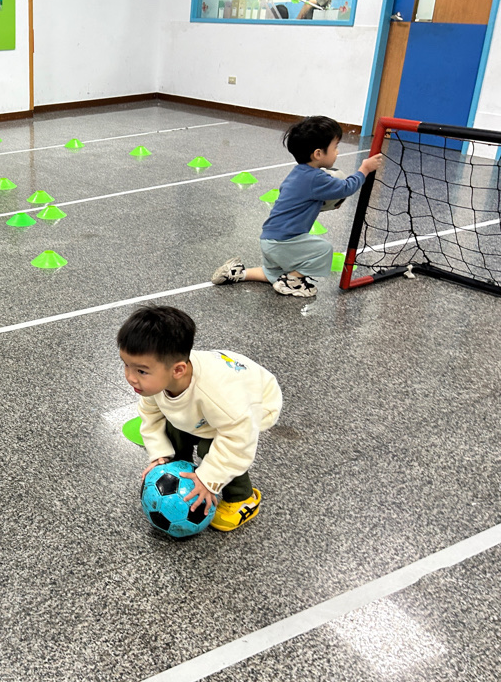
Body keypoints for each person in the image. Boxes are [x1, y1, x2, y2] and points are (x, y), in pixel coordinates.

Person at [118, 306, 282, 532]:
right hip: (214, 408)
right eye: (126, 365)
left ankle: (243, 498)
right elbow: (151, 415)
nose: (130, 377)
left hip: (257, 404)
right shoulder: (158, 379)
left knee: (212, 447)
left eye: (141, 371)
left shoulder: (218, 395)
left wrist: (208, 479)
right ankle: (180, 467)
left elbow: (239, 439)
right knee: (171, 428)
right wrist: (160, 454)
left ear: (178, 370)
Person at [211, 115, 383, 298]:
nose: (337, 152)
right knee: (323, 249)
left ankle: (238, 273)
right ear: (318, 154)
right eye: (335, 147)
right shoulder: (316, 178)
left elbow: (299, 202)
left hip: (269, 238)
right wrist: (365, 169)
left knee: (273, 273)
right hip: (285, 241)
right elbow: (346, 187)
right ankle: (292, 281)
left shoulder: (297, 173)